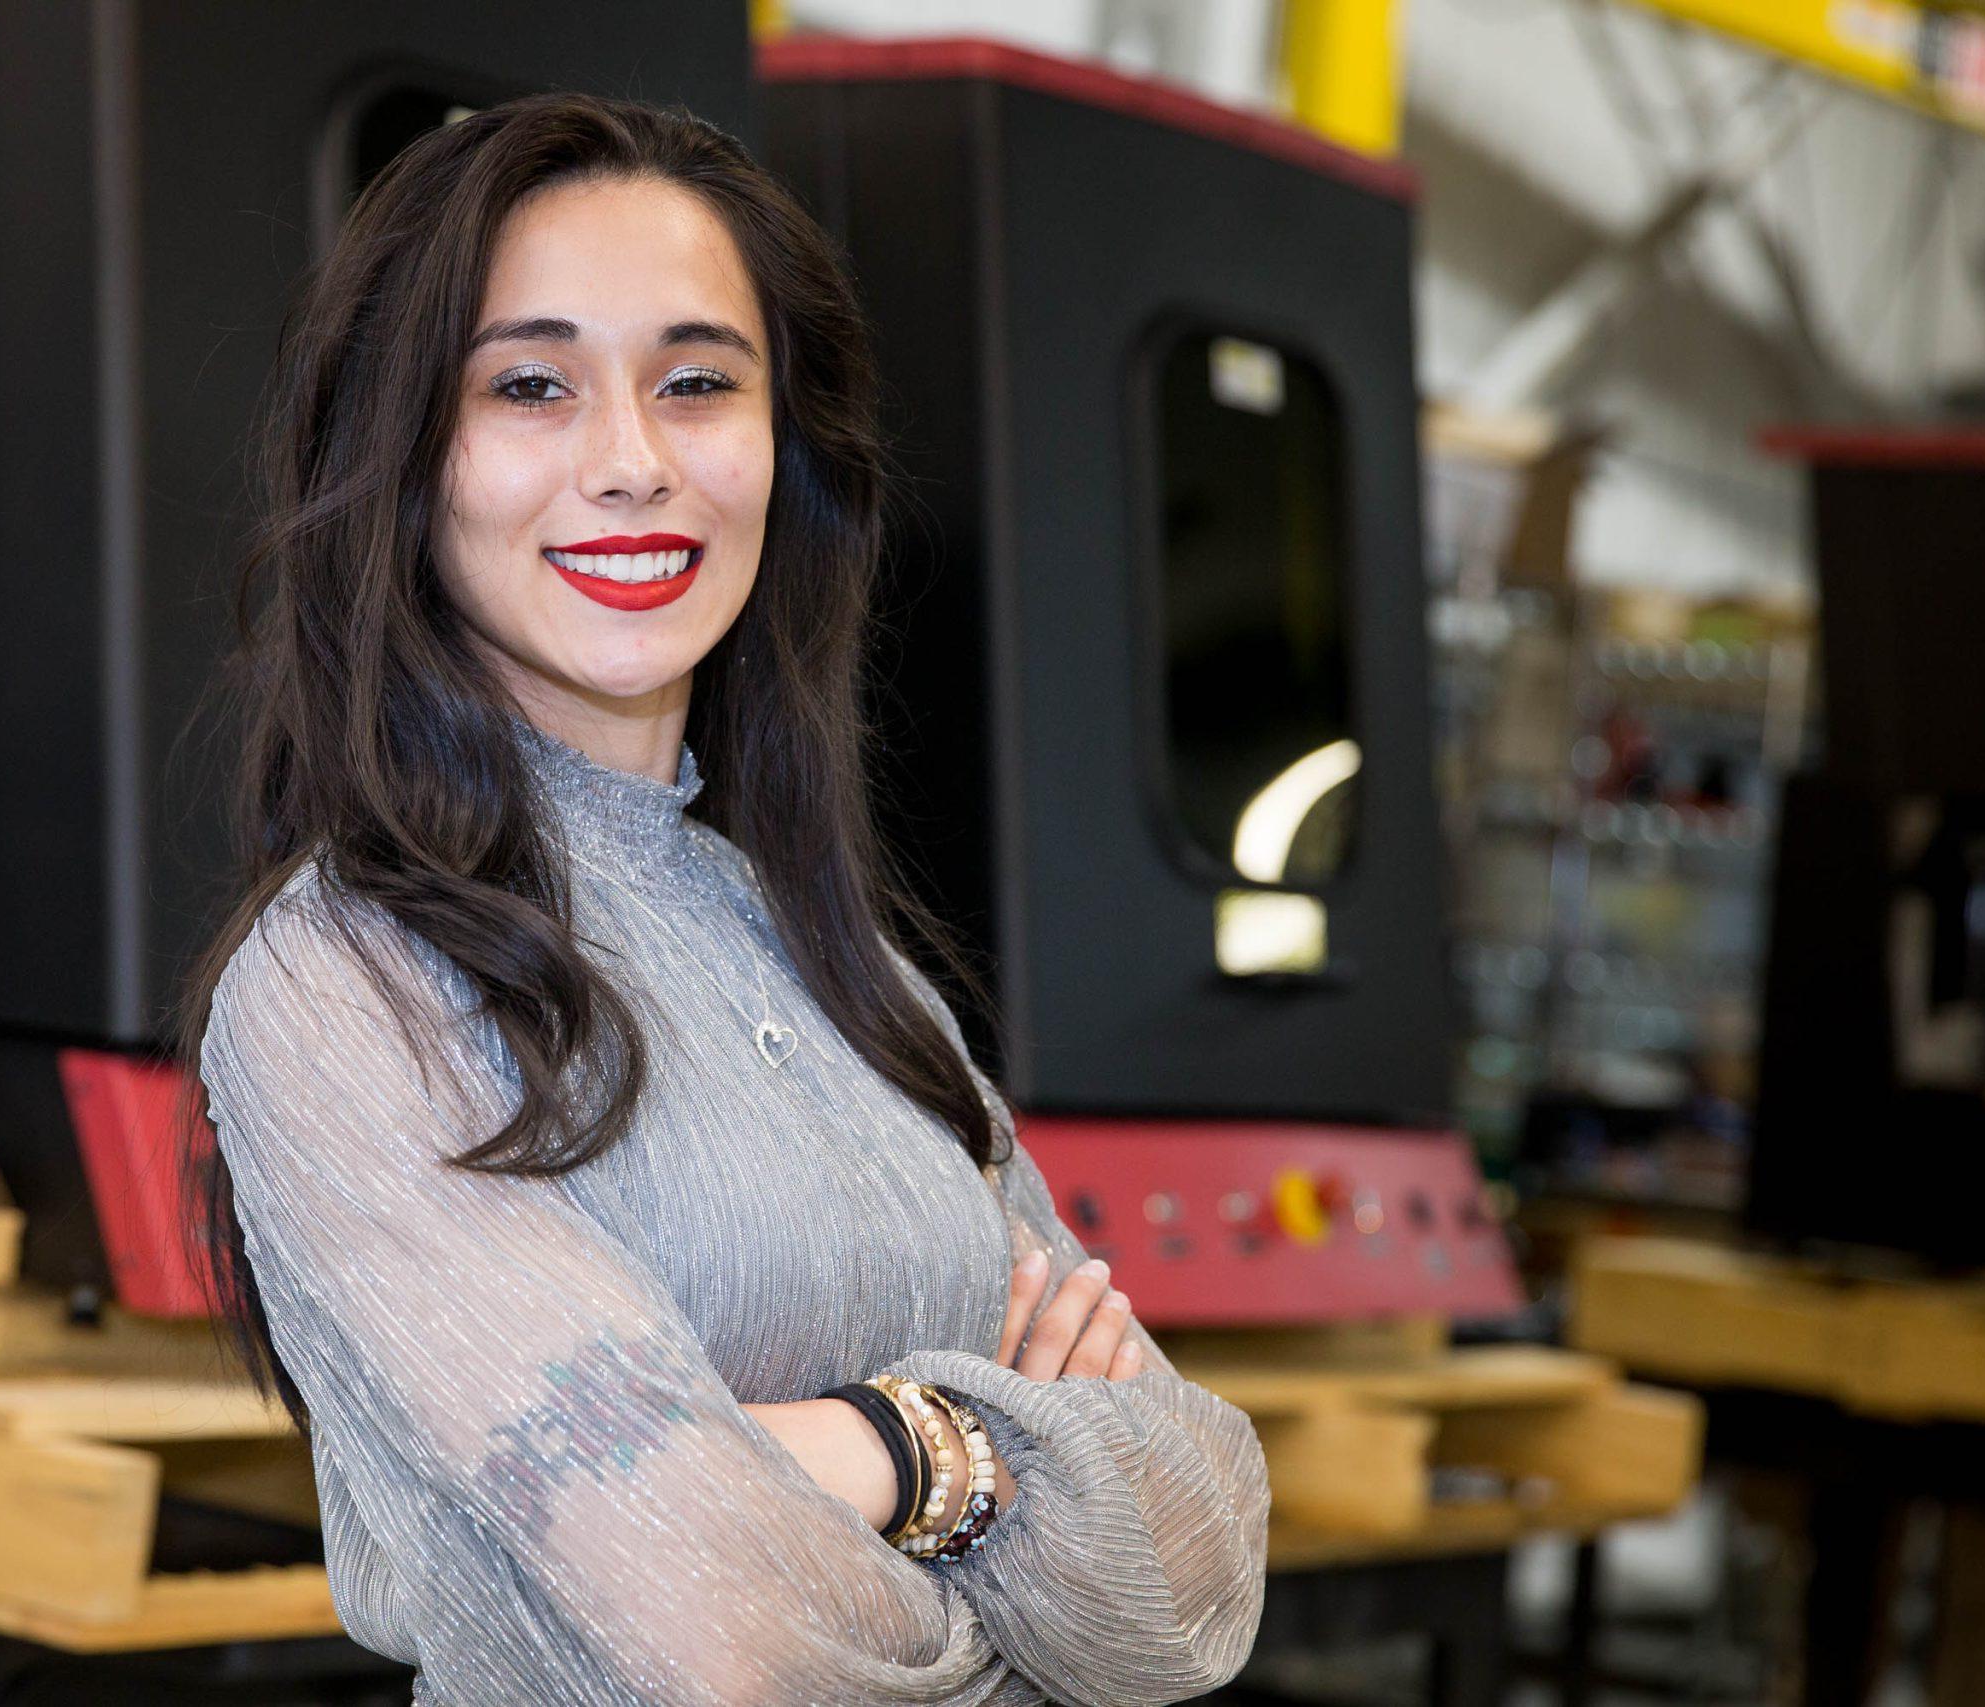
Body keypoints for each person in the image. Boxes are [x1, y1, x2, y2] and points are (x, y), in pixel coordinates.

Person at [168, 91, 1270, 1705]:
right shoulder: (348, 986)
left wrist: (834, 1466)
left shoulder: (850, 973)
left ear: (784, 446)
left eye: (697, 383)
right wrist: (977, 1467)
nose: (631, 463)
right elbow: (722, 1638)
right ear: (406, 457)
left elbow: (1203, 1569)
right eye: (529, 386)